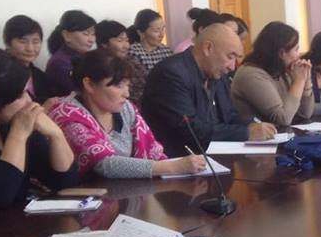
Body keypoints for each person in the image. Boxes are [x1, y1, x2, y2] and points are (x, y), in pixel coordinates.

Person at [49, 50, 205, 179]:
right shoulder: (67, 114)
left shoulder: (125, 108)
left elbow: (153, 149)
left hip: (131, 192)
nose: (126, 94)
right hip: (91, 198)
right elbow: (104, 164)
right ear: (89, 84)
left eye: (127, 85)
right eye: (118, 86)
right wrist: (172, 167)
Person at [141, 23, 276, 157]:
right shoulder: (171, 73)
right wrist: (246, 133)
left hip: (212, 157)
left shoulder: (215, 72)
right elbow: (192, 130)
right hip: (177, 161)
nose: (232, 67)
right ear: (208, 48)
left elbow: (229, 115)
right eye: (230, 57)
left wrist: (254, 126)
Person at [0, 47, 76, 208]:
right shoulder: (18, 128)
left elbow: (65, 182)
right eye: (20, 95)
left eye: (27, 92)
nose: (29, 101)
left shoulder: (11, 124)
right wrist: (18, 135)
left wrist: (56, 135)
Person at [231, 21, 314, 126]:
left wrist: (306, 81)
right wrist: (299, 81)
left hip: (280, 133)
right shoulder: (251, 74)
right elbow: (283, 118)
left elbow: (305, 114)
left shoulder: (280, 70)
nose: (299, 55)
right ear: (281, 53)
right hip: (254, 135)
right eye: (296, 50)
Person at [42, 10, 96, 101]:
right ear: (66, 35)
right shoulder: (59, 63)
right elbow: (82, 94)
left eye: (93, 34)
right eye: (86, 34)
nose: (91, 40)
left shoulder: (85, 57)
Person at [2, 15, 46, 101]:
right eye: (23, 41)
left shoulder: (40, 76)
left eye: (35, 42)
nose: (30, 48)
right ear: (7, 43)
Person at [126, 9, 173, 75]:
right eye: (156, 31)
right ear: (141, 33)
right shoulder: (133, 52)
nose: (162, 35)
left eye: (163, 29)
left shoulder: (167, 51)